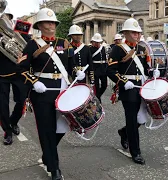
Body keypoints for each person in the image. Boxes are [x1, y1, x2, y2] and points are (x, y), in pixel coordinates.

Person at [18, 7, 86, 180]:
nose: (51, 25)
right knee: (46, 129)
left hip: (62, 90)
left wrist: (77, 72)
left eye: (53, 22)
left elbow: (70, 65)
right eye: (48, 22)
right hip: (42, 92)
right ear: (40, 25)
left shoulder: (64, 42)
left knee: (64, 126)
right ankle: (54, 168)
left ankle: (48, 154)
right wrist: (34, 82)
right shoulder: (32, 44)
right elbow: (22, 69)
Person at [107, 17, 160, 165]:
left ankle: (124, 132)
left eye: (138, 33)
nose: (137, 35)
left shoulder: (142, 49)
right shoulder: (117, 49)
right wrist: (124, 81)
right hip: (128, 89)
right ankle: (135, 151)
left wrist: (152, 73)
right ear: (126, 33)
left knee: (141, 119)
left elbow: (145, 68)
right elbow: (110, 70)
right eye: (133, 32)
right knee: (131, 119)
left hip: (141, 87)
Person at [0, 6, 29, 145]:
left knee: (22, 100)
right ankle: (8, 131)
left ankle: (14, 121)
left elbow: (29, 44)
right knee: (2, 105)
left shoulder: (20, 27)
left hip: (18, 72)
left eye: (7, 17)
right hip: (1, 74)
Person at [90, 33, 108, 102]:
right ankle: (98, 100)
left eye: (99, 42)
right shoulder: (90, 49)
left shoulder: (102, 48)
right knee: (96, 86)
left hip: (103, 69)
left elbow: (105, 58)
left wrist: (106, 67)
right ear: (93, 42)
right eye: (96, 42)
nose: (98, 44)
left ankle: (97, 96)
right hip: (95, 69)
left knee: (105, 85)